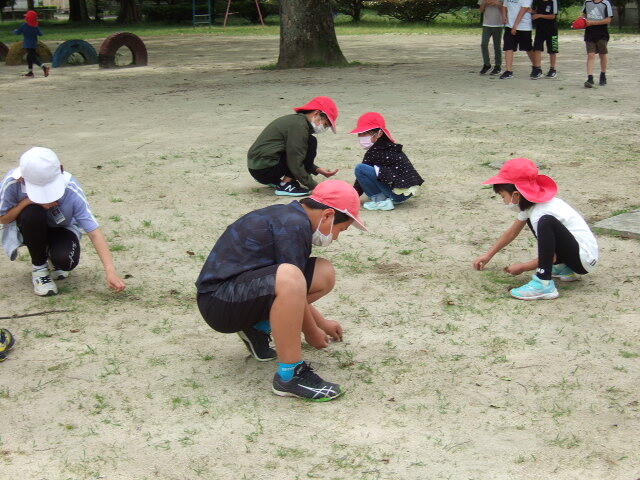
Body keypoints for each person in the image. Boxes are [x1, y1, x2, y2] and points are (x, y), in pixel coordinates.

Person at [195, 180, 366, 401]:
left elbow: (293, 290)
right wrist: (312, 331)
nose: (336, 237)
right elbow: (291, 284)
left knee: (322, 272)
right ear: (327, 215)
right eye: (340, 229)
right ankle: (290, 375)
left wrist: (321, 323)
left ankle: (256, 327)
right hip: (219, 304)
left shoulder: (291, 217)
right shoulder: (293, 225)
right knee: (291, 277)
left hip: (230, 296)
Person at [0, 147, 126, 296]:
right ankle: (40, 270)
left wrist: (110, 271)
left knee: (66, 262)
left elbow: (94, 232)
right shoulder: (11, 183)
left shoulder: (71, 188)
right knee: (32, 212)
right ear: (22, 177)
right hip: (30, 227)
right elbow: (3, 218)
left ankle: (50, 254)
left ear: (61, 169)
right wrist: (28, 201)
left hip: (62, 227)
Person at [473, 158, 598, 300]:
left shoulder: (541, 214)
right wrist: (489, 255)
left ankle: (543, 283)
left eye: (503, 196)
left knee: (545, 222)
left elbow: (551, 255)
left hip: (583, 259)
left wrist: (523, 267)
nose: (503, 201)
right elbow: (512, 232)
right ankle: (564, 268)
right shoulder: (533, 206)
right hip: (577, 256)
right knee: (536, 222)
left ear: (516, 195)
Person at [247, 96, 340, 197]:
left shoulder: (295, 121)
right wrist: (314, 186)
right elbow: (295, 159)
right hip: (266, 169)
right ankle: (285, 184)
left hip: (257, 168)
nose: (324, 128)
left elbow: (293, 151)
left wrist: (316, 169)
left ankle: (279, 182)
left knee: (307, 143)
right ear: (316, 113)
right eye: (325, 124)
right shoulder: (299, 126)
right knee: (311, 142)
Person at [350, 112, 424, 211]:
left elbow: (361, 178)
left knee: (360, 169)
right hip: (405, 193)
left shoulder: (374, 151)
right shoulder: (390, 147)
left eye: (365, 133)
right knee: (375, 171)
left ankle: (381, 200)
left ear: (379, 133)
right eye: (360, 133)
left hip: (396, 194)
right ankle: (388, 199)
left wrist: (352, 196)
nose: (361, 136)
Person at [500, 0, 535, 79]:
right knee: (508, 47)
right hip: (509, 26)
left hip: (524, 26)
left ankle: (536, 67)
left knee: (528, 48)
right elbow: (504, 6)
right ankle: (509, 71)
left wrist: (515, 26)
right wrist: (504, 16)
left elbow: (524, 10)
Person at [582, 0, 613, 88]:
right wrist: (581, 22)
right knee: (590, 55)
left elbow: (608, 20)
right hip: (589, 33)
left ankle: (603, 75)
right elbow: (584, 16)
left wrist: (593, 23)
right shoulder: (587, 2)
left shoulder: (606, 3)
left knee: (602, 55)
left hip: (602, 33)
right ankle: (590, 78)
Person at [12, 10, 50, 78]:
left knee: (33, 58)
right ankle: (30, 72)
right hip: (34, 44)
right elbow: (40, 34)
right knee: (29, 57)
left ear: (28, 18)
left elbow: (18, 32)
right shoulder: (35, 26)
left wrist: (14, 31)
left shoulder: (24, 25)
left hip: (27, 45)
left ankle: (44, 67)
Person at [531, 0, 559, 78]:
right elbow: (534, 11)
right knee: (537, 48)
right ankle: (537, 69)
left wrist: (539, 15)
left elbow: (553, 16)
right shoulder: (536, 1)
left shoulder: (553, 1)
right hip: (540, 28)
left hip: (552, 29)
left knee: (553, 49)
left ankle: (552, 69)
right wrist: (531, 11)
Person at [478, 0, 504, 75]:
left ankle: (498, 66)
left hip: (498, 24)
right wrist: (485, 3)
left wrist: (497, 4)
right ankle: (487, 64)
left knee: (497, 46)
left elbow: (506, 9)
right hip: (487, 24)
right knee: (484, 44)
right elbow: (481, 10)